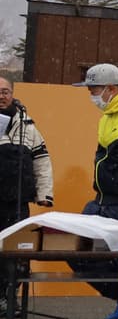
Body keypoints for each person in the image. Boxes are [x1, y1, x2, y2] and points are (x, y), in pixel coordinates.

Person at [69, 64, 118, 319]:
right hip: (101, 202)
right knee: (77, 249)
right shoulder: (107, 116)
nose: (90, 95)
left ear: (111, 89)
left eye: (93, 89)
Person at [0, 79, 55, 227]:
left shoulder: (27, 125)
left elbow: (41, 160)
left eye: (5, 92)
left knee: (15, 244)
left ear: (12, 95)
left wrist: (44, 194)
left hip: (18, 202)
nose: (1, 96)